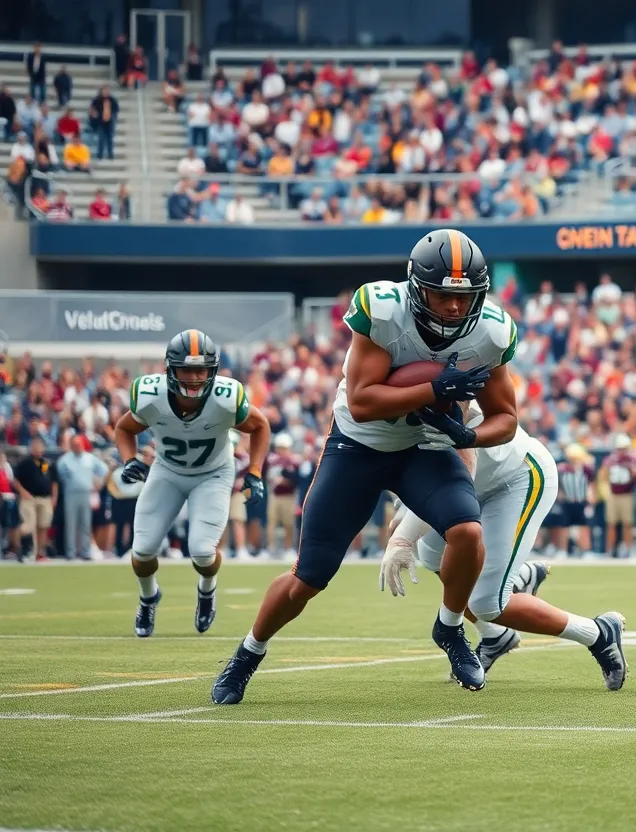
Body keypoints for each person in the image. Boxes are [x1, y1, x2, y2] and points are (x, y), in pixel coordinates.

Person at [212, 229, 516, 704]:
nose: (455, 308)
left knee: (467, 531)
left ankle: (450, 628)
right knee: (308, 577)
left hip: (425, 447)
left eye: (465, 296)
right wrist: (438, 389)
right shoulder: (381, 310)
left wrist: (468, 436)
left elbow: (508, 419)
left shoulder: (491, 332)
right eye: (443, 294)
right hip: (359, 444)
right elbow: (364, 401)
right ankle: (248, 654)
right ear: (418, 288)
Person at [380, 399, 626, 690]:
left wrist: (403, 535)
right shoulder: (378, 403)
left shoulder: (441, 392)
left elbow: (461, 469)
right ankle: (495, 634)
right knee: (433, 556)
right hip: (465, 484)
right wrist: (404, 505)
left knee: (486, 601)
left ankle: (597, 632)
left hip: (514, 477)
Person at [114, 330, 271, 637]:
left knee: (201, 551)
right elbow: (123, 428)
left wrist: (255, 470)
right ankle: (149, 597)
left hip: (213, 473)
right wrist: (129, 459)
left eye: (201, 369)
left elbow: (260, 425)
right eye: (187, 369)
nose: (195, 377)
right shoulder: (150, 394)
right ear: (170, 369)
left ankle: (207, 590)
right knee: (143, 549)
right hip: (167, 471)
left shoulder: (226, 398)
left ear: (212, 370)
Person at [55, 433, 107, 560]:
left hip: (86, 493)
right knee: (71, 523)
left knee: (85, 523)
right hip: (71, 493)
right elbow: (60, 476)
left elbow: (104, 470)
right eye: (74, 444)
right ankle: (70, 552)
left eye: (78, 444)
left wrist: (98, 484)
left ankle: (85, 551)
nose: (77, 446)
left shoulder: (90, 458)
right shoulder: (65, 460)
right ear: (71, 445)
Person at [13, 437, 57, 560]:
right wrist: (23, 492)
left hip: (45, 498)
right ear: (31, 448)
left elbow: (54, 482)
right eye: (36, 447)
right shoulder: (24, 462)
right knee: (28, 525)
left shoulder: (47, 463)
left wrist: (54, 497)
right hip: (29, 498)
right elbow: (15, 480)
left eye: (40, 447)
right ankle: (19, 549)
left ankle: (39, 552)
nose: (38, 450)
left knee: (43, 525)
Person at [600, 434, 636, 558]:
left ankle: (628, 549)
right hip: (614, 494)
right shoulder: (611, 460)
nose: (622, 451)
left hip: (627, 494)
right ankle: (610, 550)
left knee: (627, 523)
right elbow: (603, 476)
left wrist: (633, 470)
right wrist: (606, 492)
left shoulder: (632, 459)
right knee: (611, 524)